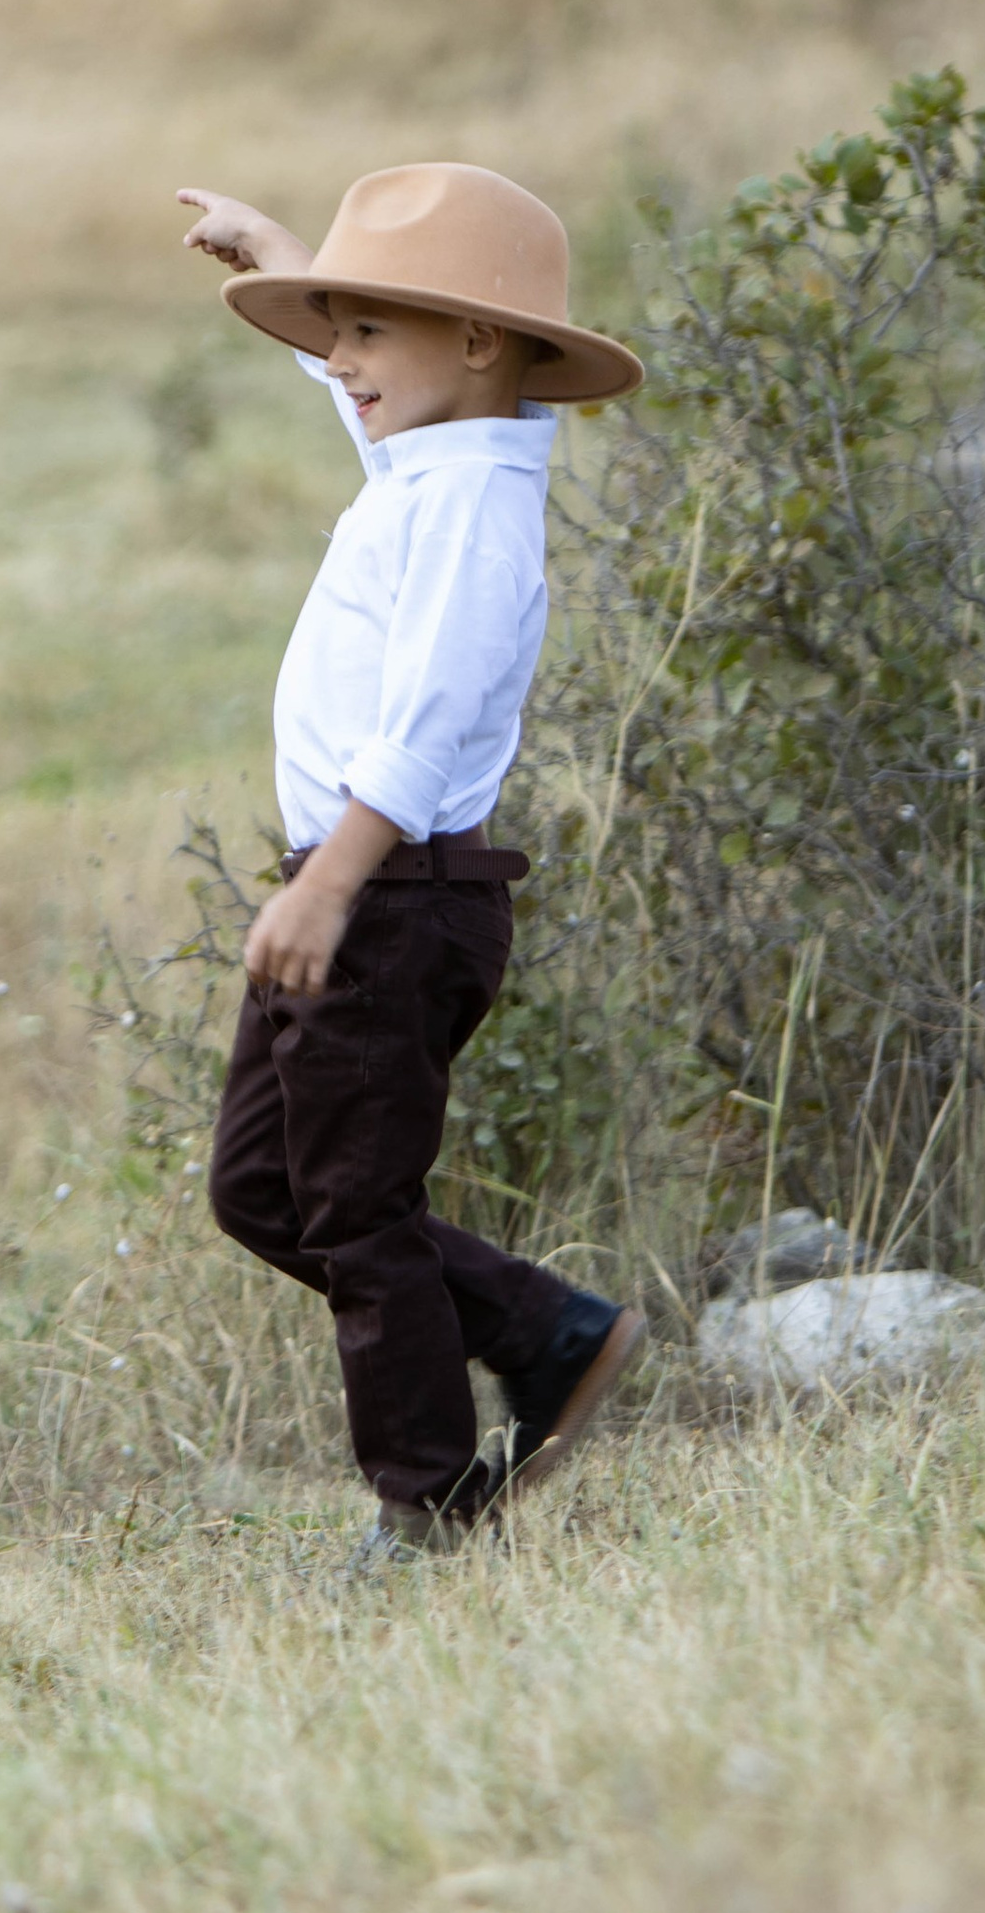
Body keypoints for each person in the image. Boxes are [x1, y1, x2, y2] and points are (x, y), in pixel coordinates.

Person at [175, 160, 648, 1551]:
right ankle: (544, 1330)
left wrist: (327, 879)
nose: (342, 358)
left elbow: (432, 716)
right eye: (340, 329)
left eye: (369, 330)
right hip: (361, 892)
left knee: (359, 1209)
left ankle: (427, 1501)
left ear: (481, 342)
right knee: (262, 1191)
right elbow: (384, 421)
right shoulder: (441, 468)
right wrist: (283, 253)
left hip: (385, 900)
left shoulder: (475, 517)